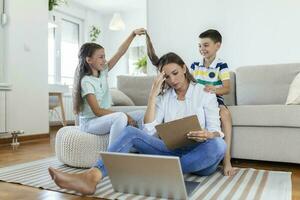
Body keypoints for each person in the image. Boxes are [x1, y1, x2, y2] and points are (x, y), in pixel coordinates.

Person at [49, 52, 226, 195]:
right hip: (170, 151)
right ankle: (91, 177)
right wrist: (152, 96)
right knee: (130, 133)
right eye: (167, 76)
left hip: (200, 156)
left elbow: (216, 131)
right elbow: (149, 131)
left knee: (218, 145)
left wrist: (209, 135)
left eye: (175, 73)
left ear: (184, 68)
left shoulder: (204, 94)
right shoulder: (164, 98)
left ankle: (164, 170)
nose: (172, 80)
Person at [146, 30, 236, 176]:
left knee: (223, 119)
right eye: (199, 46)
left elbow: (226, 88)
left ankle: (227, 161)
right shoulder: (195, 65)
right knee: (134, 127)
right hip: (198, 97)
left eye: (205, 45)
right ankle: (180, 165)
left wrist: (212, 90)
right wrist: (153, 96)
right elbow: (191, 81)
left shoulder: (221, 65)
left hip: (213, 94)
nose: (202, 49)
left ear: (217, 46)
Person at [73, 28, 146, 148]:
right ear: (89, 60)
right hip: (90, 123)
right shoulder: (86, 81)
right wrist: (124, 115)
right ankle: (112, 154)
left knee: (142, 114)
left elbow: (120, 52)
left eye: (104, 56)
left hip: (103, 119)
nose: (105, 60)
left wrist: (132, 34)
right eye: (101, 57)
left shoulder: (103, 72)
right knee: (121, 116)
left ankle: (139, 148)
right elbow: (97, 111)